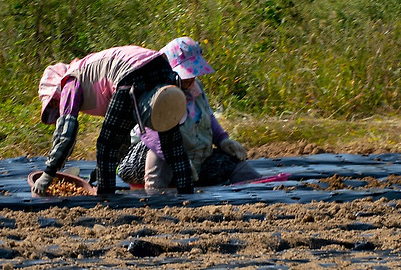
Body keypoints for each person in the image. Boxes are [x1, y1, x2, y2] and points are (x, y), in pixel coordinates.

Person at [35, 45, 195, 197]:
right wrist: (102, 169)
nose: (57, 106)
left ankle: (106, 200)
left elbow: (66, 133)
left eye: (55, 102)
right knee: (171, 144)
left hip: (133, 74)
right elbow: (121, 129)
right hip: (161, 67)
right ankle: (187, 194)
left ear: (56, 90)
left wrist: (49, 173)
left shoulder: (70, 82)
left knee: (106, 146)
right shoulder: (90, 73)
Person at [118, 37, 257, 191]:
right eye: (185, 74)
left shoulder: (196, 87)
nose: (190, 78)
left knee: (235, 163)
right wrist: (177, 159)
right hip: (152, 160)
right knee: (157, 155)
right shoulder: (157, 92)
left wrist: (223, 140)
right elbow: (151, 135)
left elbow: (208, 116)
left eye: (193, 74)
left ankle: (258, 185)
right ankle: (155, 195)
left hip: (195, 161)